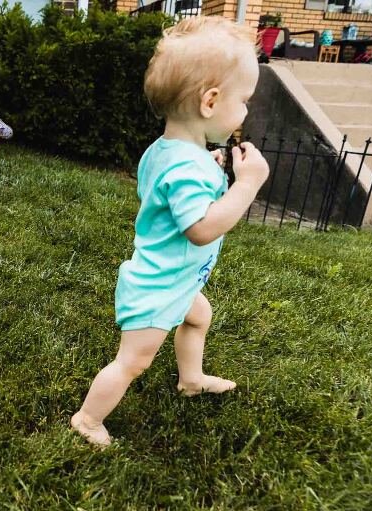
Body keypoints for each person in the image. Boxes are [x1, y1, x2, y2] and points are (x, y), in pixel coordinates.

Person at [71, 17, 270, 446]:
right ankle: (87, 419)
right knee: (132, 362)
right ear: (211, 101)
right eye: (245, 100)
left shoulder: (170, 151)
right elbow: (201, 228)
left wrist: (211, 168)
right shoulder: (186, 166)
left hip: (176, 278)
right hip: (159, 285)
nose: (247, 111)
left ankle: (191, 379)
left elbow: (170, 189)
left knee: (199, 316)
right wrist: (248, 183)